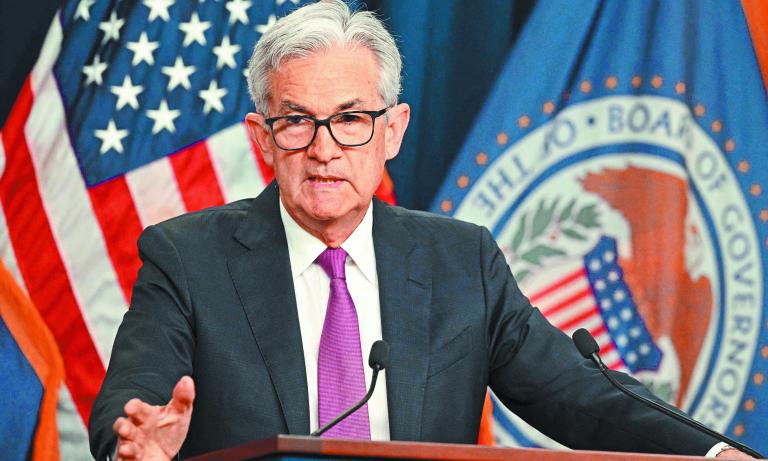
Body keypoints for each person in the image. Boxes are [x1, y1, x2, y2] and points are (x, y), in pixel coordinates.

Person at [88, 1, 750, 460]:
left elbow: (578, 394)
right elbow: (135, 404)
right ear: (263, 138)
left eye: (350, 119)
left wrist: (713, 451)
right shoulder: (187, 257)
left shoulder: (461, 261)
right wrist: (137, 445)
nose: (324, 149)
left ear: (392, 130)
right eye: (298, 122)